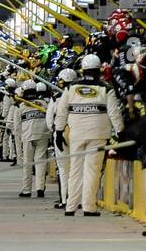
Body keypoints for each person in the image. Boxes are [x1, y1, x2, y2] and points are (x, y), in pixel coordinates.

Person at [53, 54, 124, 216]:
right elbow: (114, 113)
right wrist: (120, 132)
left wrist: (58, 131)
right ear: (99, 70)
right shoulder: (106, 88)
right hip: (98, 134)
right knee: (93, 171)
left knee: (75, 170)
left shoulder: (71, 88)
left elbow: (61, 111)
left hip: (76, 134)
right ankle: (89, 207)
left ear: (83, 70)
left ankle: (70, 207)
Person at [47, 67, 78, 209]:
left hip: (61, 132)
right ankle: (78, 200)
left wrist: (55, 131)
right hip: (78, 132)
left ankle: (65, 200)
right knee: (77, 167)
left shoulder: (56, 98)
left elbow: (49, 120)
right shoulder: (80, 95)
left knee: (63, 168)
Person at [17, 80, 51, 198]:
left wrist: (21, 137)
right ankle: (40, 189)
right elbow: (49, 119)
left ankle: (26, 190)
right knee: (40, 162)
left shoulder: (21, 106)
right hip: (43, 135)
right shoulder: (44, 104)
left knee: (27, 163)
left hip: (28, 136)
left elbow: (17, 126)